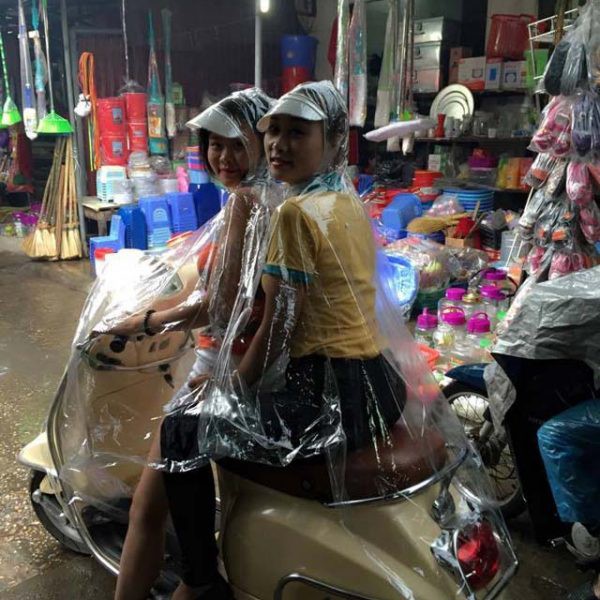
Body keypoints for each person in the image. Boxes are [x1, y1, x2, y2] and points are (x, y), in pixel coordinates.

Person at [162, 80, 406, 599]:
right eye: (272, 131)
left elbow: (279, 325)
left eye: (297, 133)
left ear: (334, 139)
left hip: (328, 393)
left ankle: (201, 582)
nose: (278, 145)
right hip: (381, 387)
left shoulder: (295, 212)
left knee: (180, 430)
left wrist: (230, 386)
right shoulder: (344, 199)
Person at [113, 88, 275, 600]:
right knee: (174, 501)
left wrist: (148, 320)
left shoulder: (248, 203)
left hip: (224, 365)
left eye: (237, 143)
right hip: (254, 366)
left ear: (262, 143)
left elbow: (220, 307)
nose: (223, 156)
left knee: (147, 507)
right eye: (214, 144)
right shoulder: (277, 199)